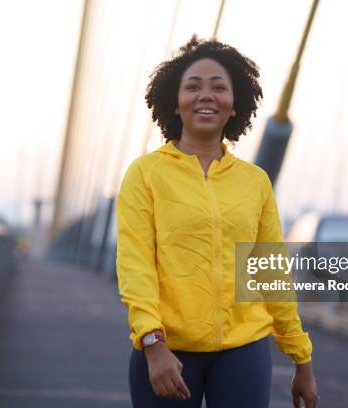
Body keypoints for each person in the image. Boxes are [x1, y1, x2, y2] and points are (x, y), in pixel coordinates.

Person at [116, 36, 318, 408]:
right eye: (193, 86)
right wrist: (151, 342)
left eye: (218, 87)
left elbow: (271, 272)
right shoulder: (145, 174)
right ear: (175, 103)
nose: (205, 95)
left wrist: (300, 358)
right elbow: (135, 265)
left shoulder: (254, 181)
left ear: (234, 102)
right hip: (167, 351)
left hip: (244, 350)